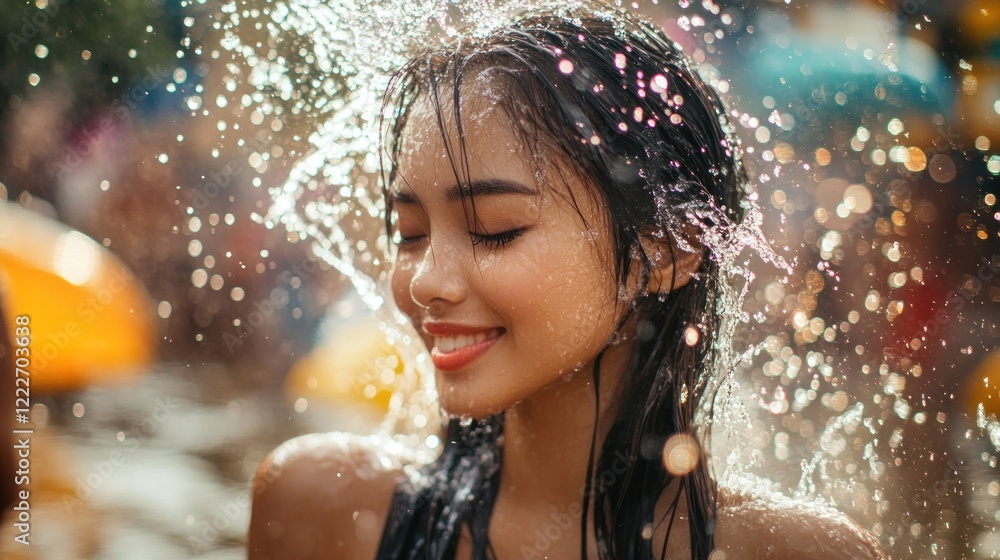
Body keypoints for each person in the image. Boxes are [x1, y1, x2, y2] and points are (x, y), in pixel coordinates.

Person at [247, 6, 886, 560]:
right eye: (409, 233)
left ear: (668, 250)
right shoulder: (321, 509)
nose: (426, 282)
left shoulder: (798, 553)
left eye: (493, 231)